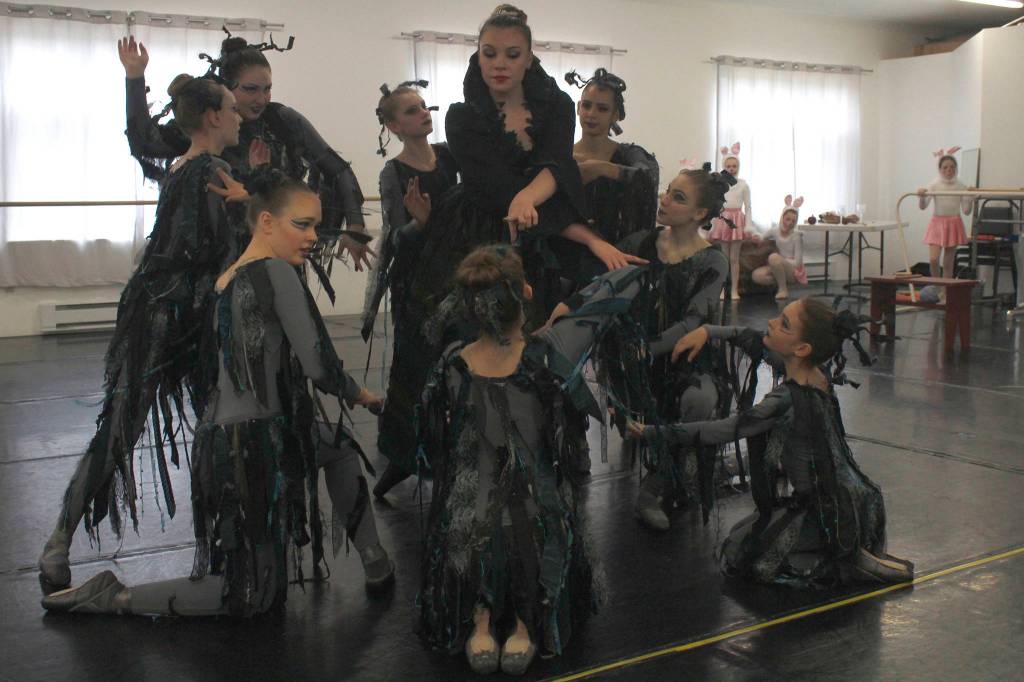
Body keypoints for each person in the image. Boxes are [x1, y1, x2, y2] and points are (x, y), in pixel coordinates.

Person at [42, 172, 389, 616]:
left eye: (316, 226)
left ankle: (375, 560)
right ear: (266, 222)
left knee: (337, 446)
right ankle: (116, 597)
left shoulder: (228, 279)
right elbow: (320, 366)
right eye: (301, 225)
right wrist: (364, 395)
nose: (312, 237)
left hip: (228, 443)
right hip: (253, 447)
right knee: (251, 595)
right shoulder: (277, 273)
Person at [38, 75, 247, 588]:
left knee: (122, 426)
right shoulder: (214, 171)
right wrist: (246, 207)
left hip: (154, 308)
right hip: (182, 317)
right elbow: (219, 255)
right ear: (214, 117)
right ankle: (228, 545)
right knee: (213, 424)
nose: (240, 116)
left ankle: (59, 541)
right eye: (233, 108)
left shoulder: (180, 166)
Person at [417, 245, 644, 675]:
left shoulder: (454, 361)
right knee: (513, 523)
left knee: (488, 522)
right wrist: (571, 304)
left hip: (489, 489)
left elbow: (439, 441)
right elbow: (624, 283)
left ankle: (490, 621)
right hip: (516, 491)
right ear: (525, 291)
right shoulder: (552, 347)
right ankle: (511, 621)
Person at [628, 298, 915, 586]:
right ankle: (848, 553)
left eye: (784, 324)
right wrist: (708, 331)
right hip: (855, 500)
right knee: (747, 536)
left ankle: (847, 557)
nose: (771, 322)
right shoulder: (816, 373)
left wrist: (654, 432)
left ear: (802, 348)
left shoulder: (786, 400)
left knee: (739, 550)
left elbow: (723, 430)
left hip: (827, 513)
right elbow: (752, 339)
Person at [408, 4, 644, 338]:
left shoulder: (558, 106)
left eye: (513, 54)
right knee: (472, 332)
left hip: (542, 225)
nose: (499, 63)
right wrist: (587, 237)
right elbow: (502, 192)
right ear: (478, 57)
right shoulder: (462, 118)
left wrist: (531, 198)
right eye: (489, 53)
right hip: (477, 230)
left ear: (529, 59)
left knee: (550, 323)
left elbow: (556, 166)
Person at [563, 168, 732, 531]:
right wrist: (569, 306)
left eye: (678, 197)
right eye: (668, 191)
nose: (665, 200)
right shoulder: (640, 242)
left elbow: (692, 321)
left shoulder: (712, 261)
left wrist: (647, 349)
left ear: (700, 213)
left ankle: (654, 488)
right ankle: (675, 463)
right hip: (632, 356)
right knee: (633, 414)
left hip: (684, 357)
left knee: (699, 400)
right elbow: (604, 285)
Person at [117, 33, 372, 270]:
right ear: (227, 88)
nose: (261, 99)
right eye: (251, 89)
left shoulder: (282, 120)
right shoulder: (208, 125)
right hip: (217, 258)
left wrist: (355, 226)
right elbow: (145, 143)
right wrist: (134, 77)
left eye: (267, 89)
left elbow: (337, 169)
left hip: (275, 250)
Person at [361, 81, 461, 499]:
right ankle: (405, 456)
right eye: (411, 111)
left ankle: (450, 452)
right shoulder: (394, 173)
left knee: (455, 365)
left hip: (454, 276)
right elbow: (396, 238)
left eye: (423, 106)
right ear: (394, 126)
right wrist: (420, 223)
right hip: (417, 285)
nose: (423, 113)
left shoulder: (450, 156)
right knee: (414, 369)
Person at [566, 68, 659, 247]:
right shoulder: (562, 156)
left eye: (602, 109)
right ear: (578, 108)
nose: (591, 114)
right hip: (568, 252)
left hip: (622, 253)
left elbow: (649, 178)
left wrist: (601, 168)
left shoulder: (630, 155)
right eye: (586, 105)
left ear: (615, 115)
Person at [918, 147, 974, 281]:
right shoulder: (934, 184)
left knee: (948, 262)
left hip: (954, 223)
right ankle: (937, 284)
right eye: (945, 167)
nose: (949, 170)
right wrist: (921, 196)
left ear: (956, 168)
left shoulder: (961, 185)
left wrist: (970, 197)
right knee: (933, 259)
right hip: (937, 223)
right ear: (940, 169)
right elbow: (923, 206)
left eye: (952, 167)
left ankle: (945, 289)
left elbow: (966, 211)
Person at [707, 143, 751, 300]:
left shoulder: (743, 185)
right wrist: (711, 225)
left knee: (734, 258)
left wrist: (749, 226)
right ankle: (722, 290)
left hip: (737, 220)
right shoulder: (720, 184)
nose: (731, 169)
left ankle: (734, 290)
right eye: (728, 166)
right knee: (724, 258)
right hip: (723, 220)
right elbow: (714, 204)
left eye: (734, 166)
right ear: (724, 167)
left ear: (738, 167)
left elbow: (748, 206)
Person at [751, 195, 808, 300]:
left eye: (793, 221)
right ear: (782, 218)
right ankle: (780, 282)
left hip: (793, 270)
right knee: (756, 275)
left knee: (773, 257)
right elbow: (763, 236)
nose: (789, 223)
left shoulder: (797, 236)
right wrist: (757, 237)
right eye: (787, 219)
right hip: (777, 264)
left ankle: (783, 290)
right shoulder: (775, 230)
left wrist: (781, 261)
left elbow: (798, 263)